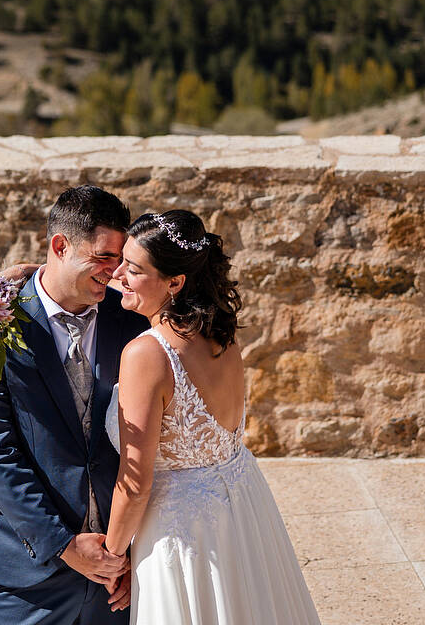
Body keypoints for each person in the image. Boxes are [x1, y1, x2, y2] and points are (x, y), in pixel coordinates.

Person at [101, 210, 322, 624]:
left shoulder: (147, 355)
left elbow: (135, 483)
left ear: (175, 282)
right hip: (241, 506)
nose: (117, 276)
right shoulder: (220, 333)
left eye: (132, 270)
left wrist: (112, 558)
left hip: (182, 529)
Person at [0, 185, 151, 625]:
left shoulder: (133, 318)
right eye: (103, 257)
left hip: (118, 573)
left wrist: (130, 551)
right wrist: (65, 546)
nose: (115, 272)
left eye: (121, 259)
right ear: (60, 247)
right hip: (30, 575)